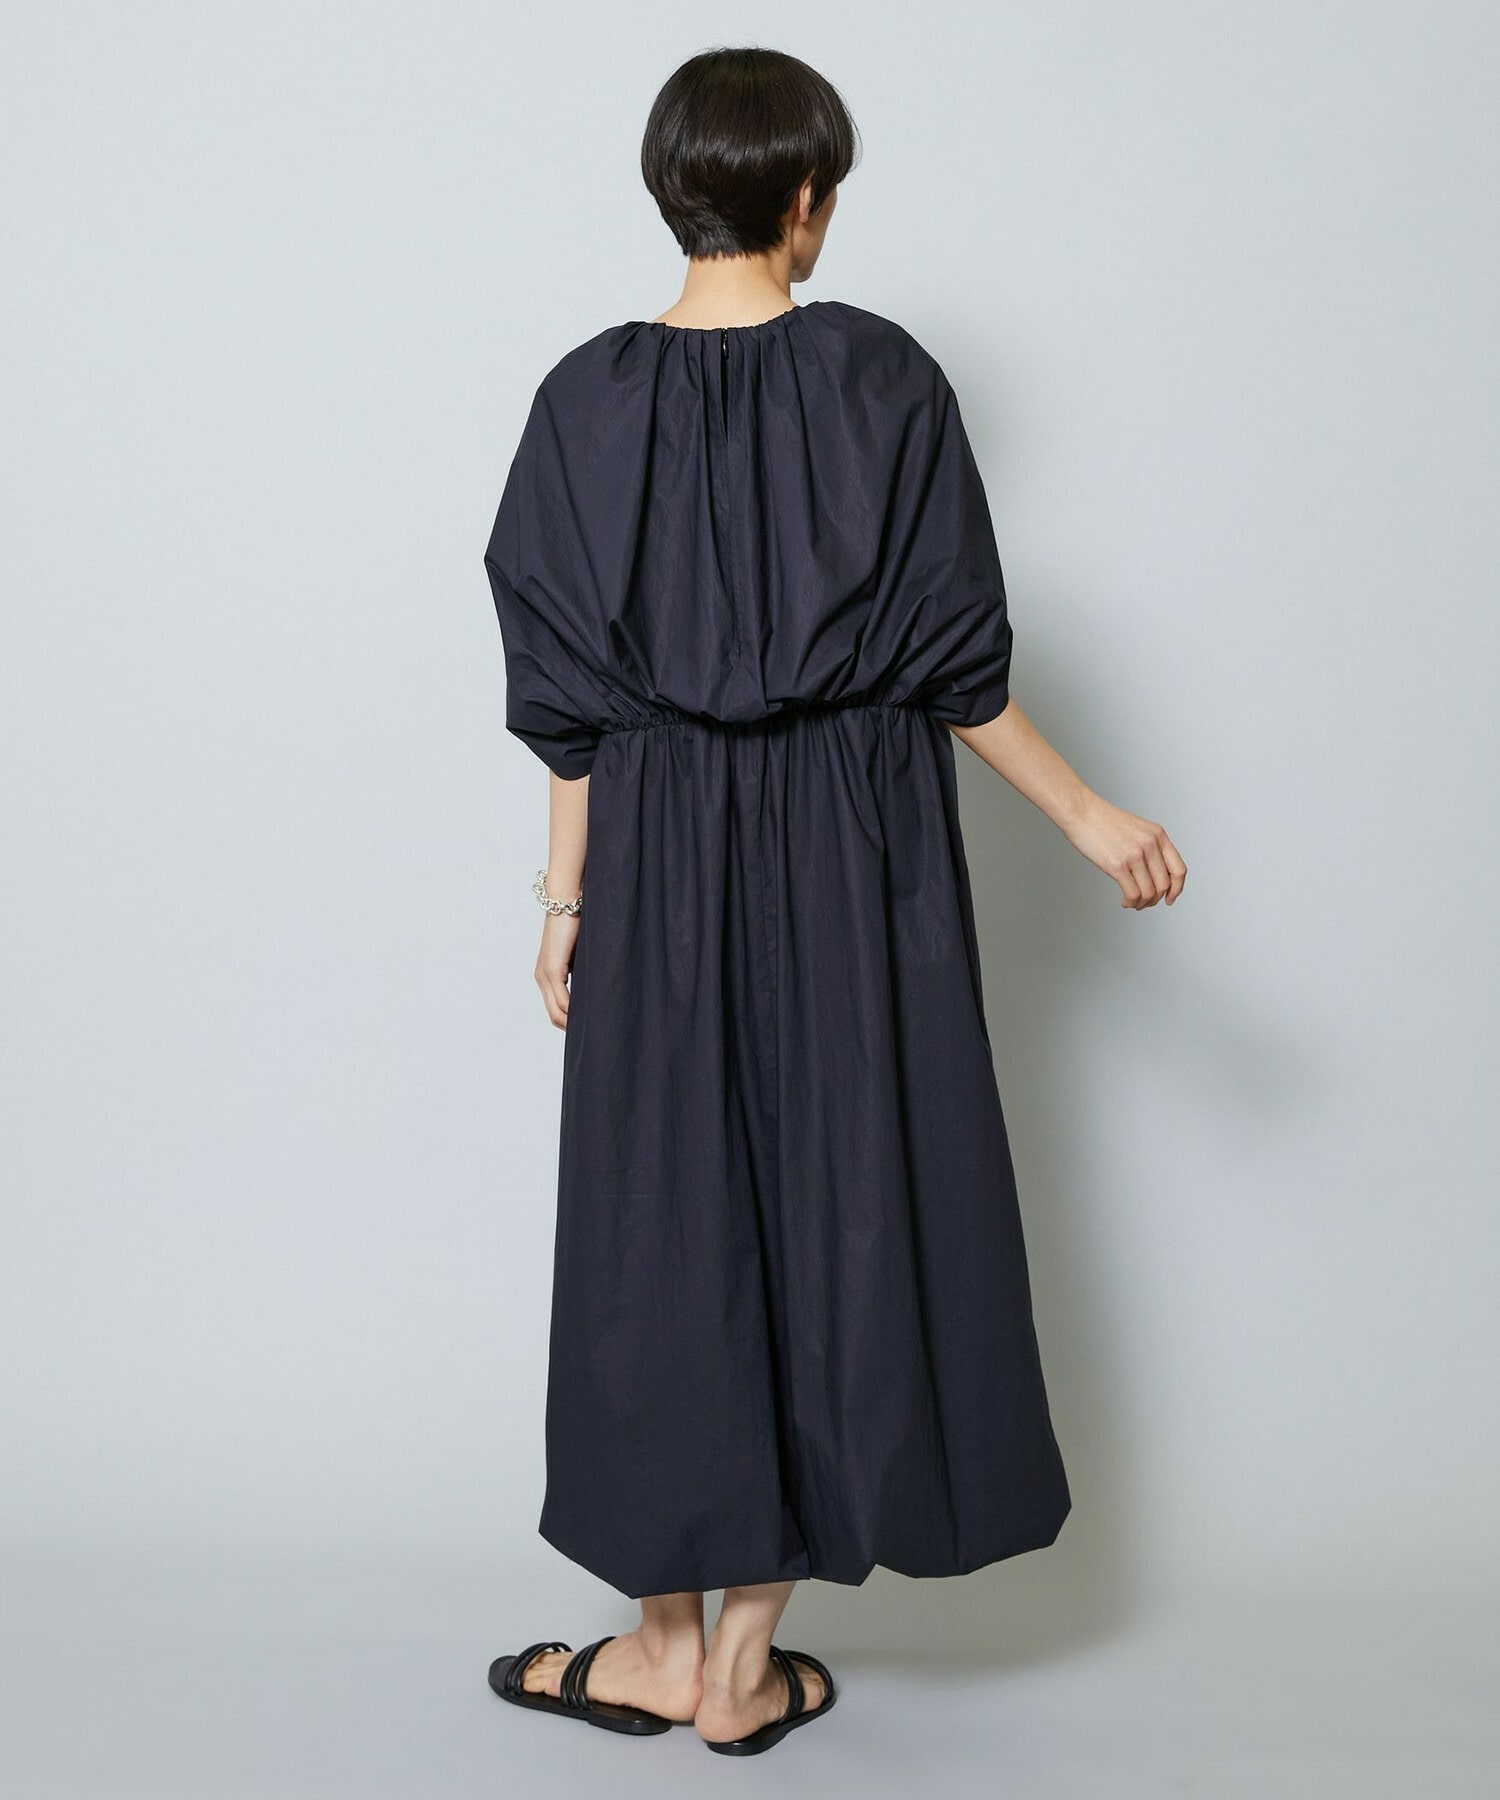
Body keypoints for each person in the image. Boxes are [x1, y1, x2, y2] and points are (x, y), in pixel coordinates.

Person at [483, 46, 1186, 1757]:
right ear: (805, 199)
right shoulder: (884, 380)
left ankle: (658, 1653)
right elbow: (956, 671)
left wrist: (567, 908)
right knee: (846, 1214)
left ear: (674, 192)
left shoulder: (581, 401)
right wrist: (1091, 817)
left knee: (662, 1230)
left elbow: (569, 709)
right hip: (854, 858)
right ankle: (743, 1671)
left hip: (659, 856)